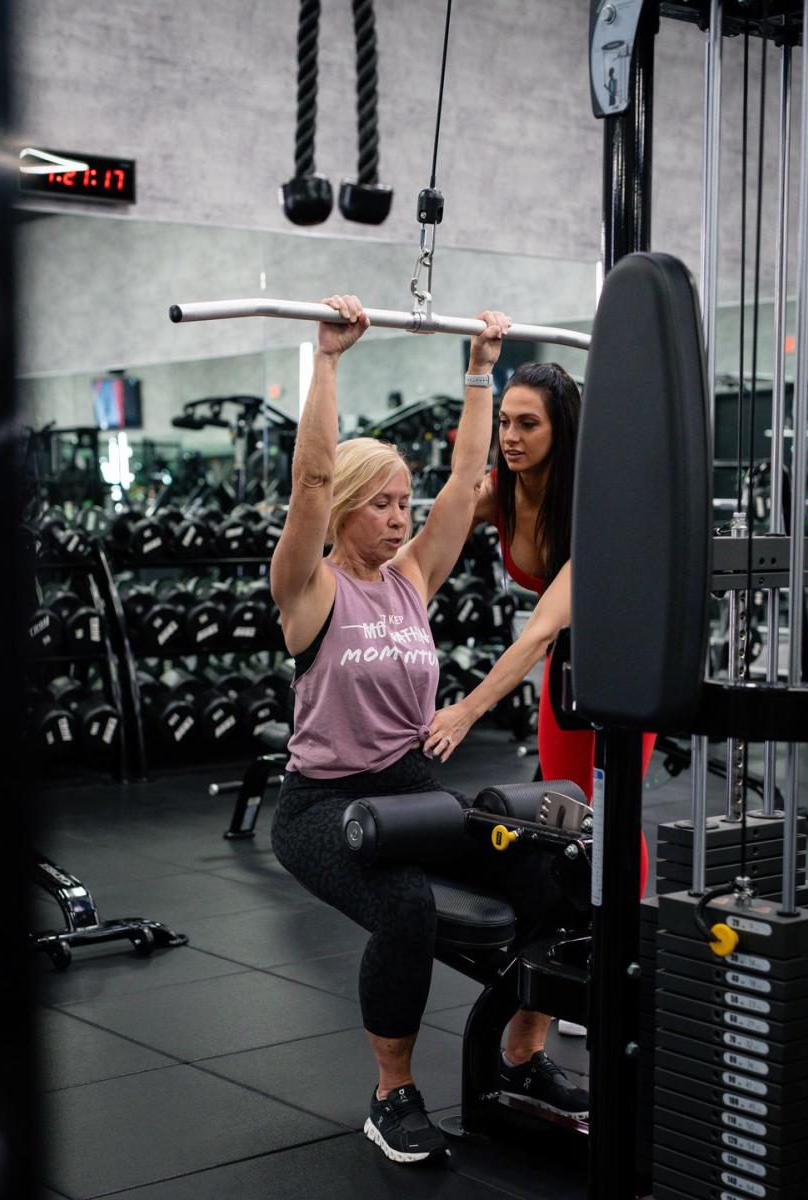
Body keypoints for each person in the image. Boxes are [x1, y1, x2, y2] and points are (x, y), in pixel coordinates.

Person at [270, 296, 589, 1166]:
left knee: (551, 866)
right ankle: (392, 1097)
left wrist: (482, 370)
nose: (400, 517)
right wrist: (328, 360)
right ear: (343, 512)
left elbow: (463, 484)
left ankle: (521, 1056)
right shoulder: (312, 591)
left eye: (403, 503)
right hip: (321, 807)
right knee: (404, 908)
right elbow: (305, 481)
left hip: (409, 790)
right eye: (380, 505)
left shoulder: (411, 578)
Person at [422, 361, 657, 896]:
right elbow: (430, 543)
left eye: (527, 424)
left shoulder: (592, 508)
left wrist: (465, 711)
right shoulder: (499, 491)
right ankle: (579, 926)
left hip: (626, 657)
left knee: (609, 808)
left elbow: (539, 632)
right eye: (504, 422)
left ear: (561, 429)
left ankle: (622, 934)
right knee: (562, 808)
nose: (510, 437)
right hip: (570, 655)